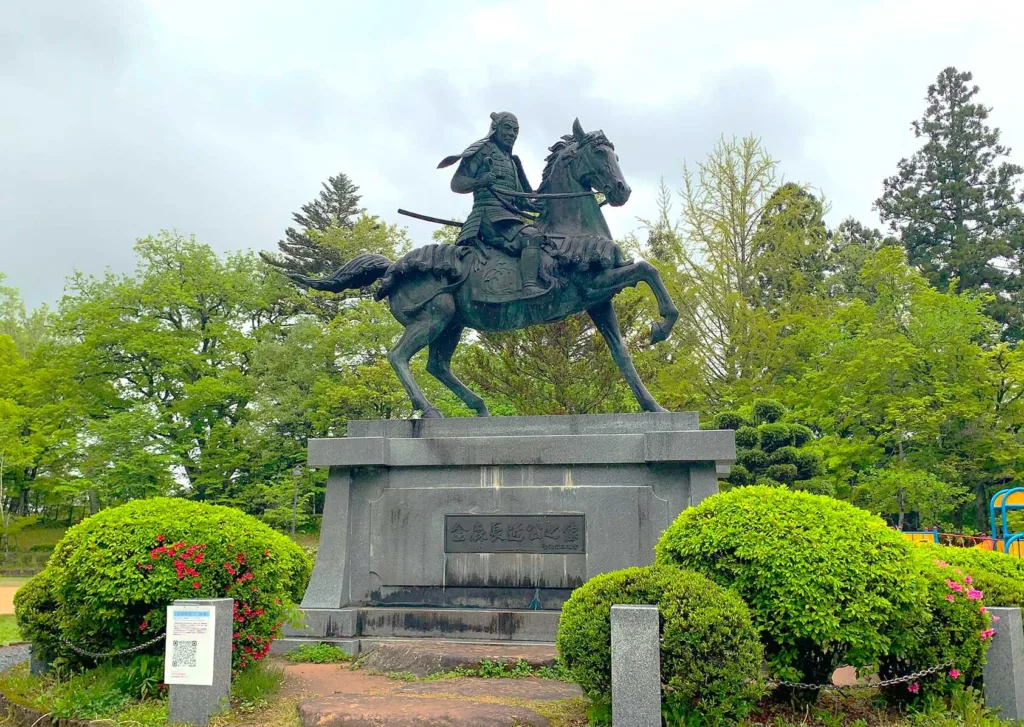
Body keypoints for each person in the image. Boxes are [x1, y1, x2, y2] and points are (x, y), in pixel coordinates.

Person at [438, 111, 549, 296]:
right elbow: (456, 183)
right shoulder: (483, 150)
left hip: (507, 217)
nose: (512, 134)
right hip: (487, 216)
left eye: (515, 130)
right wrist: (479, 181)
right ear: (496, 128)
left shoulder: (512, 161)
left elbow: (521, 199)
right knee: (531, 236)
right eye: (508, 128)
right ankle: (529, 286)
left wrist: (545, 205)